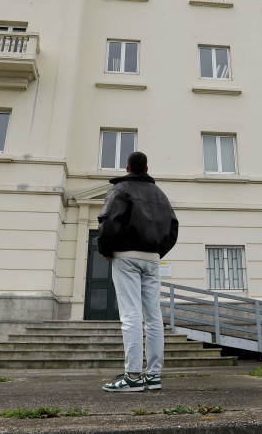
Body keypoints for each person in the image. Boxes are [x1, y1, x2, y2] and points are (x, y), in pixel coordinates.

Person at [97, 151, 179, 392]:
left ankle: (132, 375)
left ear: (127, 168)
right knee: (154, 317)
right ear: (146, 168)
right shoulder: (160, 194)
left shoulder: (120, 190)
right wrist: (157, 252)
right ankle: (153, 376)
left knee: (131, 314)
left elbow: (108, 221)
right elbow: (173, 227)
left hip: (126, 257)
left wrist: (106, 249)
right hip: (152, 259)